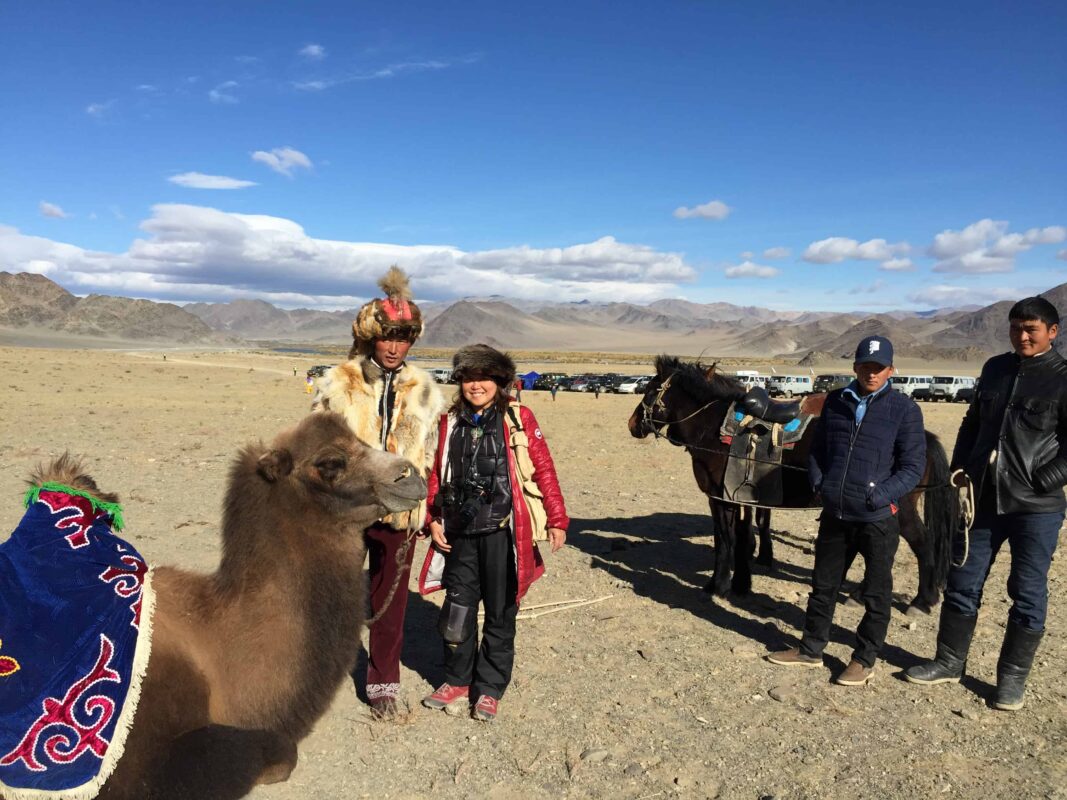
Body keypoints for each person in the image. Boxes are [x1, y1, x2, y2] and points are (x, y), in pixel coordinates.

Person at [906, 297, 1067, 710]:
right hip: (982, 501)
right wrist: (959, 467)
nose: (1022, 335)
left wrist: (1043, 479)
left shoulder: (1063, 377)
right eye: (1016, 328)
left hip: (1037, 507)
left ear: (1052, 331)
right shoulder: (994, 368)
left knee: (1027, 591)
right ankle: (948, 661)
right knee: (963, 581)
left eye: (1031, 329)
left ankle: (1011, 682)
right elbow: (973, 421)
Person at [311, 266, 445, 719]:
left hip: (400, 510)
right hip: (345, 511)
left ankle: (383, 681)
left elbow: (433, 455)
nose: (394, 347)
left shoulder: (426, 390)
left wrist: (429, 509)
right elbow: (316, 450)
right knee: (338, 593)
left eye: (403, 338)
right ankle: (322, 672)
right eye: (387, 337)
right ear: (371, 337)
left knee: (391, 602)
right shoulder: (338, 384)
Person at [419, 344, 569, 721]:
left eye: (484, 377)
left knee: (501, 614)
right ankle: (456, 679)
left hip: (504, 532)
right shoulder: (447, 421)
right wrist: (432, 518)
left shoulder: (519, 418)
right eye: (468, 378)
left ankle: (489, 687)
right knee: (457, 612)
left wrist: (557, 518)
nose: (476, 385)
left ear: (500, 382)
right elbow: (435, 473)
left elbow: (543, 468)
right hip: (458, 533)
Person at [768, 335, 925, 685]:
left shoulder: (905, 410)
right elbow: (817, 450)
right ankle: (810, 649)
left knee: (876, 591)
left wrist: (880, 496)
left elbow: (913, 467)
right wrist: (820, 484)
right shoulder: (836, 401)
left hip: (877, 518)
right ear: (854, 368)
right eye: (865, 367)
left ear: (891, 370)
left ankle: (864, 658)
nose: (872, 374)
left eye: (879, 368)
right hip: (835, 513)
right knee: (823, 586)